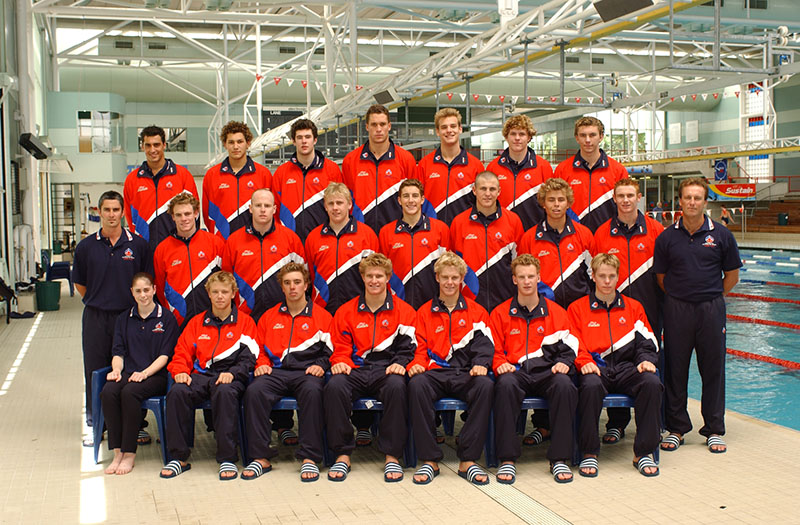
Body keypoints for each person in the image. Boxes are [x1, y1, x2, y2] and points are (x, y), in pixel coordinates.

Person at [654, 177, 741, 454]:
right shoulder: (667, 237)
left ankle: (714, 429)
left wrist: (710, 295)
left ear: (705, 202)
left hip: (710, 309)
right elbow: (661, 278)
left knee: (713, 369)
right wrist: (682, 296)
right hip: (677, 308)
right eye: (687, 197)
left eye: (697, 198)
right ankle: (677, 427)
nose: (692, 202)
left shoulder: (722, 235)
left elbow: (732, 276)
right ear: (679, 201)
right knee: (675, 370)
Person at [324, 253, 417, 482]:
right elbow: (340, 345)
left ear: (388, 278)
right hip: (355, 370)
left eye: (379, 276)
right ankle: (343, 453)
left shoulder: (404, 311)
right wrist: (341, 362)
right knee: (334, 386)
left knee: (397, 386)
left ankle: (392, 455)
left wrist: (399, 364)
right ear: (362, 278)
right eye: (369, 276)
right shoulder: (346, 311)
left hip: (387, 370)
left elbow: (409, 347)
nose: (374, 281)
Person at [570, 253, 662, 478]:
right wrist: (585, 362)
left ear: (618, 277)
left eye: (611, 276)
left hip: (625, 368)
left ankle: (643, 452)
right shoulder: (577, 309)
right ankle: (589, 452)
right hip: (596, 367)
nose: (607, 281)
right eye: (602, 276)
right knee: (589, 386)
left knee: (651, 382)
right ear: (593, 277)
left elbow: (647, 340)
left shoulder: (633, 308)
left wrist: (644, 360)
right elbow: (571, 343)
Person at [160, 271, 259, 480]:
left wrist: (232, 373)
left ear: (233, 293)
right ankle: (179, 457)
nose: (220, 296)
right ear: (208, 293)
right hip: (201, 375)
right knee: (177, 392)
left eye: (225, 292)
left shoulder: (246, 322)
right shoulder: (196, 322)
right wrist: (180, 372)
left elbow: (250, 358)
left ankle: (227, 459)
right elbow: (181, 352)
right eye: (215, 292)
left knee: (224, 393)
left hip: (230, 377)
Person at [491, 254, 579, 485]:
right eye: (522, 277)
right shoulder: (500, 313)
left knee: (564, 385)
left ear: (539, 278)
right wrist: (500, 364)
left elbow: (571, 343)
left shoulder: (557, 312)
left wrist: (565, 362)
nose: (527, 281)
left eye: (531, 276)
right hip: (516, 372)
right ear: (514, 280)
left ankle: (559, 457)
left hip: (546, 372)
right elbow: (492, 349)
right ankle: (507, 458)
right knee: (505, 385)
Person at [517, 177, 592, 445]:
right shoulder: (530, 237)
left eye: (561, 200)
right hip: (543, 316)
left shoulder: (583, 235)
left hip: (576, 314)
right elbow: (523, 273)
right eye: (551, 200)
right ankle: (542, 425)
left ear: (569, 202)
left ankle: (573, 424)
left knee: (571, 367)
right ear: (543, 203)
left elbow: (593, 275)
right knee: (541, 365)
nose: (557, 205)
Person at [408, 252, 495, 486]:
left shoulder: (477, 312)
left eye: (454, 278)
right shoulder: (423, 312)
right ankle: (429, 459)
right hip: (434, 373)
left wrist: (480, 364)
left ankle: (468, 459)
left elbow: (485, 345)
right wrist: (417, 363)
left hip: (466, 372)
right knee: (416, 385)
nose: (449, 282)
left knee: (485, 386)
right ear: (436, 277)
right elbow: (418, 344)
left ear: (462, 279)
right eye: (445, 277)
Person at [242, 262, 333, 482]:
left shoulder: (322, 317)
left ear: (306, 286)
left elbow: (332, 350)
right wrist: (262, 363)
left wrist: (321, 365)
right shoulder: (268, 317)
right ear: (282, 287)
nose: (292, 287)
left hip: (307, 372)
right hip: (277, 372)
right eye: (287, 283)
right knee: (254, 391)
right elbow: (257, 348)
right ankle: (260, 457)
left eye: (297, 282)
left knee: (313, 393)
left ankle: (309, 457)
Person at [590, 178, 664, 444]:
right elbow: (595, 273)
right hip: (611, 309)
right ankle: (617, 423)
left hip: (647, 307)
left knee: (648, 361)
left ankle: (658, 422)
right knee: (615, 359)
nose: (625, 200)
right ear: (614, 198)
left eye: (630, 195)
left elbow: (665, 272)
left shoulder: (655, 229)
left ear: (638, 197)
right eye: (620, 195)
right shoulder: (602, 233)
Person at [72, 191, 149, 438]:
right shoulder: (86, 247)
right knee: (95, 370)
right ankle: (97, 424)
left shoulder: (138, 245)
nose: (112, 215)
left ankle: (135, 426)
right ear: (99, 211)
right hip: (96, 318)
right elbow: (80, 284)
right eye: (107, 210)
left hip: (129, 318)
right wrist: (99, 300)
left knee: (131, 370)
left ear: (123, 212)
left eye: (116, 210)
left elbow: (146, 281)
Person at [100, 273, 178, 475]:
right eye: (138, 291)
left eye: (146, 290)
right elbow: (118, 352)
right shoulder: (124, 318)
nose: (143, 295)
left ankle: (130, 453)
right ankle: (117, 452)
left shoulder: (166, 318)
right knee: (108, 391)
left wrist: (144, 373)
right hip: (129, 372)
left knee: (130, 393)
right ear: (132, 293)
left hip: (155, 375)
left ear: (154, 289)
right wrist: (116, 370)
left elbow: (165, 356)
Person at [221, 189, 306, 323]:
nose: (262, 210)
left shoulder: (291, 239)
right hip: (246, 315)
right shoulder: (234, 241)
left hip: (284, 315)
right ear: (250, 208)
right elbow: (226, 281)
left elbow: (303, 277)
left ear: (274, 209)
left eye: (267, 206)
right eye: (258, 205)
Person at [449, 171, 523, 312]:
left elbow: (520, 262)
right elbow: (453, 264)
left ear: (499, 191)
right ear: (474, 190)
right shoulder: (459, 223)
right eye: (483, 189)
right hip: (469, 301)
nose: (487, 193)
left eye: (492, 189)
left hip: (505, 301)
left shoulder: (513, 221)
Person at [305, 182, 379, 315]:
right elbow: (310, 274)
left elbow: (375, 274)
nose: (335, 208)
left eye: (340, 203)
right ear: (325, 207)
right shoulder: (313, 237)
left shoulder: (367, 236)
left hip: (358, 310)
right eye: (331, 203)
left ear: (349, 204)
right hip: (323, 309)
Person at [152, 193, 225, 328]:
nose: (183, 219)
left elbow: (226, 281)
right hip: (178, 321)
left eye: (187, 214)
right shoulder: (162, 249)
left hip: (213, 319)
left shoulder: (215, 243)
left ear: (196, 213)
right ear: (172, 217)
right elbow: (161, 289)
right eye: (178, 215)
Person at [341, 104, 417, 233]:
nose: (378, 129)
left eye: (382, 124)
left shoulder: (406, 159)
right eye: (374, 125)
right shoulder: (351, 161)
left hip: (397, 234)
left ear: (389, 126)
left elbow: (415, 199)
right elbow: (346, 200)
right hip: (361, 233)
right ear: (367, 127)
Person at [123, 125, 199, 252]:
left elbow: (195, 214)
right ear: (142, 147)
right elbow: (130, 218)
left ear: (164, 145)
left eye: (156, 145)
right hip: (145, 249)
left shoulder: (183, 176)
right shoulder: (132, 180)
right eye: (148, 145)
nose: (152, 150)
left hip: (177, 249)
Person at [379, 179, 450, 308]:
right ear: (399, 200)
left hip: (433, 304)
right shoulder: (386, 232)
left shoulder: (440, 229)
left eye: (415, 196)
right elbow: (382, 271)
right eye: (406, 196)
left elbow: (448, 268)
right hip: (398, 304)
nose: (411, 200)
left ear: (422, 199)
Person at [272, 118, 343, 241]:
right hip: (290, 240)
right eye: (299, 138)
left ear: (315, 140)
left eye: (307, 137)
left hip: (324, 239)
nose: (304, 141)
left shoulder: (332, 170)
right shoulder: (281, 173)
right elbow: (274, 210)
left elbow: (341, 206)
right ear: (293, 141)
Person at [553, 116, 626, 233]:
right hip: (572, 235)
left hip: (607, 235)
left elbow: (625, 205)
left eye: (592, 135)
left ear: (601, 137)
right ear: (577, 138)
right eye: (583, 135)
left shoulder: (618, 170)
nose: (587, 140)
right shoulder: (562, 170)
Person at [202, 121, 272, 240]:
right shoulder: (212, 175)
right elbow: (207, 213)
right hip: (222, 242)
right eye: (231, 142)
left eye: (240, 142)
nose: (235, 147)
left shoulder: (263, 174)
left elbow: (270, 211)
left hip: (254, 241)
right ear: (225, 144)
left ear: (248, 143)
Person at [415, 107, 483, 224]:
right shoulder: (424, 165)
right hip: (432, 231)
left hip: (465, 231)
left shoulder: (476, 166)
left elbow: (482, 203)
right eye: (444, 127)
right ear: (437, 131)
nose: (449, 130)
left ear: (460, 129)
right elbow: (416, 201)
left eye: (453, 126)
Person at [487, 114, 554, 230]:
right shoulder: (493, 167)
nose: (517, 138)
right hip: (501, 232)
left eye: (522, 134)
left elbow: (551, 202)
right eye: (513, 134)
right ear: (506, 137)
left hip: (534, 233)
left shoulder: (543, 167)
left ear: (529, 137)